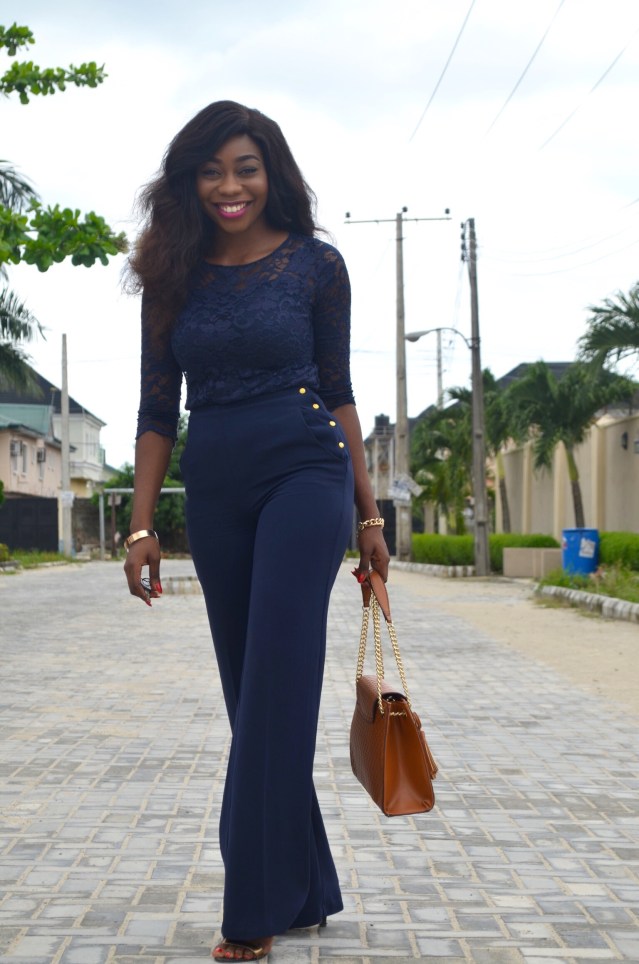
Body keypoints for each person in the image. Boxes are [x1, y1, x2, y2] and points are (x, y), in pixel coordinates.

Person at [123, 100, 389, 962]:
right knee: (250, 695)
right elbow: (155, 410)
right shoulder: (170, 274)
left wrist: (367, 511)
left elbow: (339, 392)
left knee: (277, 681)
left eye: (244, 167)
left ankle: (250, 910)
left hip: (305, 471)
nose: (229, 185)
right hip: (216, 484)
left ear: (272, 173)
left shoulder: (316, 265)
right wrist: (139, 525)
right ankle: (304, 885)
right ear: (188, 182)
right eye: (210, 170)